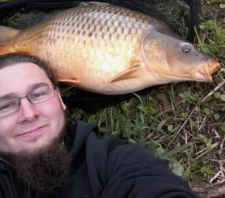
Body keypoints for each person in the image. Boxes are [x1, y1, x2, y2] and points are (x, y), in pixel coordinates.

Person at [0, 53, 198, 198]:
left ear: (60, 99)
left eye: (39, 94)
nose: (29, 114)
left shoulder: (118, 163)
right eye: (5, 105)